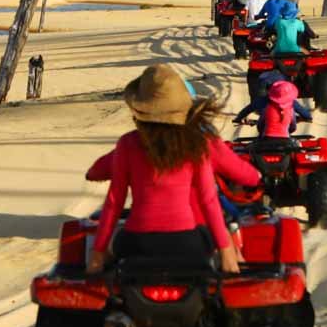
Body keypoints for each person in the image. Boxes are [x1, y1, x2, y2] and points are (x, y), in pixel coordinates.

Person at [87, 65, 244, 274]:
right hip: (186, 242)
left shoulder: (127, 144)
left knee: (113, 249)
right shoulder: (197, 143)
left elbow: (114, 202)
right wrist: (226, 251)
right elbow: (209, 201)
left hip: (137, 242)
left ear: (139, 108)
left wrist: (98, 255)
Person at [232, 67, 313, 130]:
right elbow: (304, 114)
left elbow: (247, 110)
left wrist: (238, 118)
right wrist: (306, 117)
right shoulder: (290, 101)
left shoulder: (261, 100)